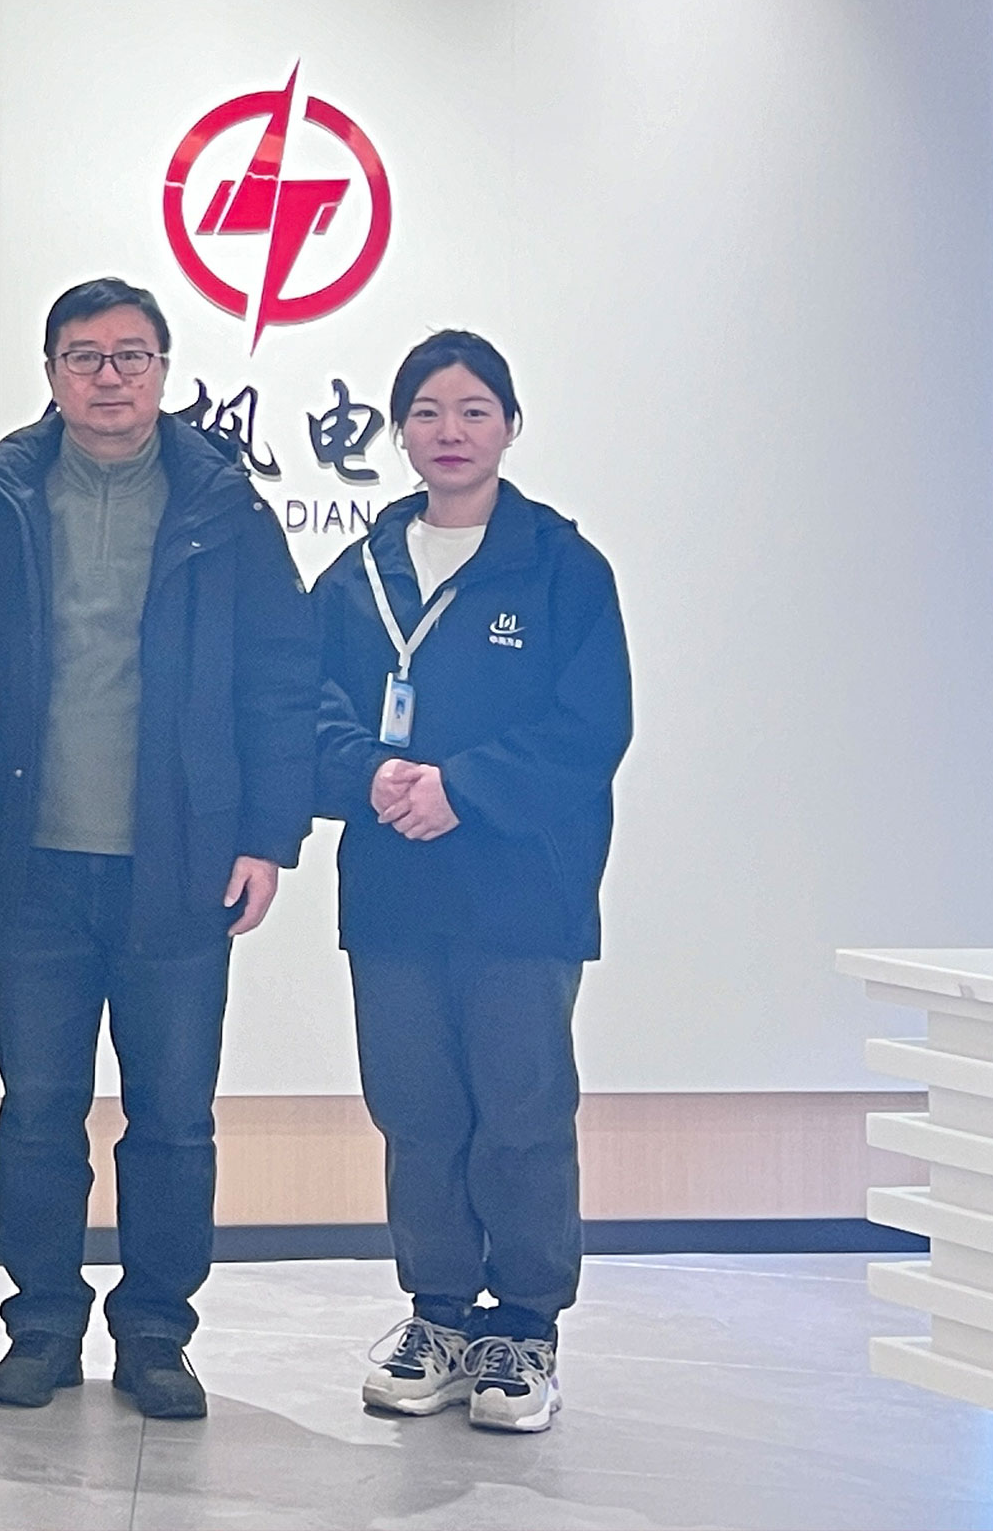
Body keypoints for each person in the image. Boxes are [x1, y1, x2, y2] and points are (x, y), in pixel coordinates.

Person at [0, 278, 316, 1421]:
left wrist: (267, 835)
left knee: (171, 1115)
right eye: (84, 356)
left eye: (131, 355)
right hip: (34, 860)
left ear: (164, 370)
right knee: (37, 1110)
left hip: (180, 862)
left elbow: (280, 678)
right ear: (51, 373)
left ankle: (158, 1330)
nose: (108, 376)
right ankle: (42, 1324)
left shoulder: (223, 505)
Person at [318, 329, 629, 1437]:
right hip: (393, 893)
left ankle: (525, 1329)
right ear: (401, 433)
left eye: (473, 411)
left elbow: (591, 727)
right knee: (417, 1111)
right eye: (428, 413)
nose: (450, 432)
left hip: (521, 895)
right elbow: (306, 709)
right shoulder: (357, 575)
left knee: (522, 1112)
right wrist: (369, 774)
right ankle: (440, 1315)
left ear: (509, 426)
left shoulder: (562, 568)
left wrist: (464, 789)